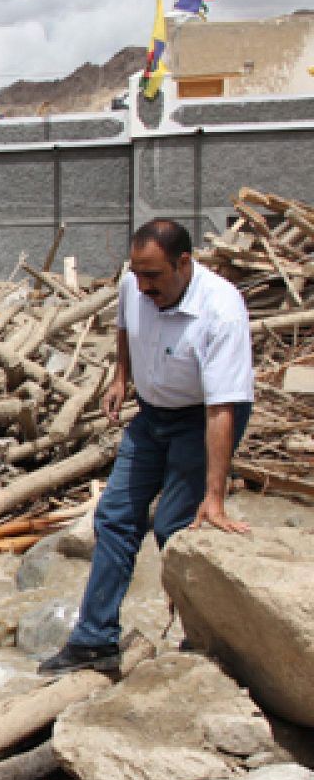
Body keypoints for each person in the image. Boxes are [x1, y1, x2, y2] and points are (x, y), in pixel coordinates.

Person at [38, 219, 254, 675]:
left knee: (178, 525)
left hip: (203, 417)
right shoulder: (135, 284)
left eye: (153, 276)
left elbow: (221, 409)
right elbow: (124, 326)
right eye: (137, 274)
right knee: (114, 516)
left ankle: (203, 636)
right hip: (153, 413)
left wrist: (214, 498)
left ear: (183, 264)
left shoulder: (221, 311)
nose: (142, 285)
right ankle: (95, 640)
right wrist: (121, 377)